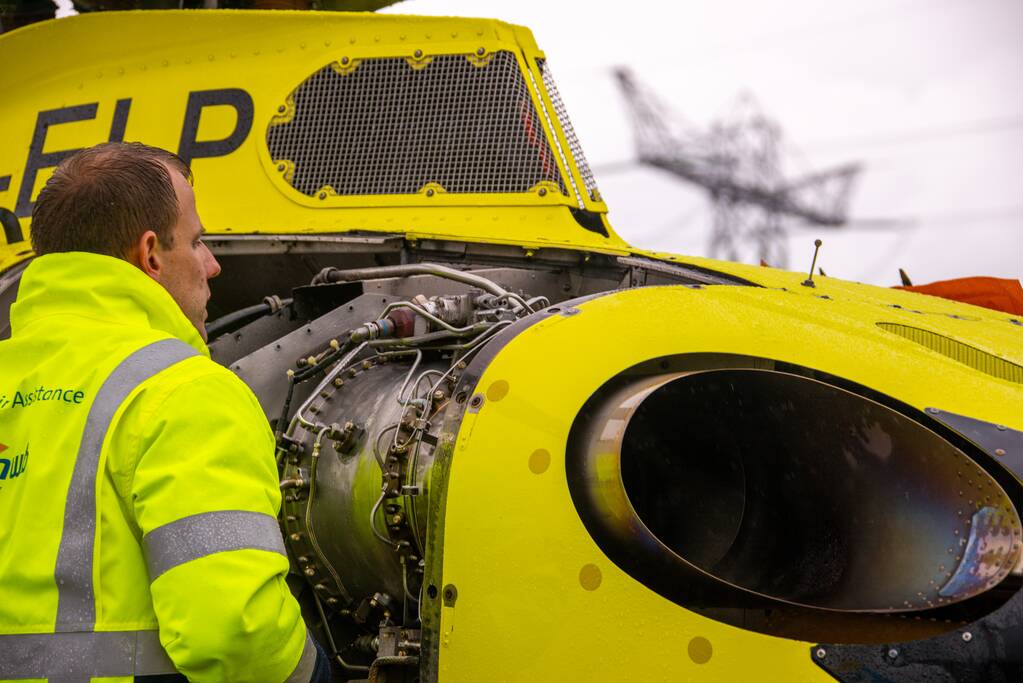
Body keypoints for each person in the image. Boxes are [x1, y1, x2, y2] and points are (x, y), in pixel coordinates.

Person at [0, 142, 331, 682]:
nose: (212, 264)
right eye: (198, 241)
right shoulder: (183, 393)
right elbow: (236, 634)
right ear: (150, 254)